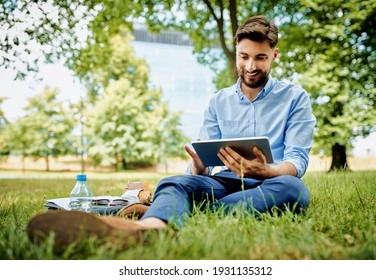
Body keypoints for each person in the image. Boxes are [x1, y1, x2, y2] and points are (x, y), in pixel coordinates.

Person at [27, 15, 316, 247]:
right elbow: (202, 168)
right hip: (223, 183)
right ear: (237, 53)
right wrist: (199, 165)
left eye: (260, 58)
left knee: (293, 190)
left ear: (274, 55)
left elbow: (297, 161)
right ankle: (149, 228)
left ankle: (172, 211)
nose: (250, 66)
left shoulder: (295, 98)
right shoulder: (219, 101)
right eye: (244, 57)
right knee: (174, 182)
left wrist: (266, 172)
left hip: (269, 184)